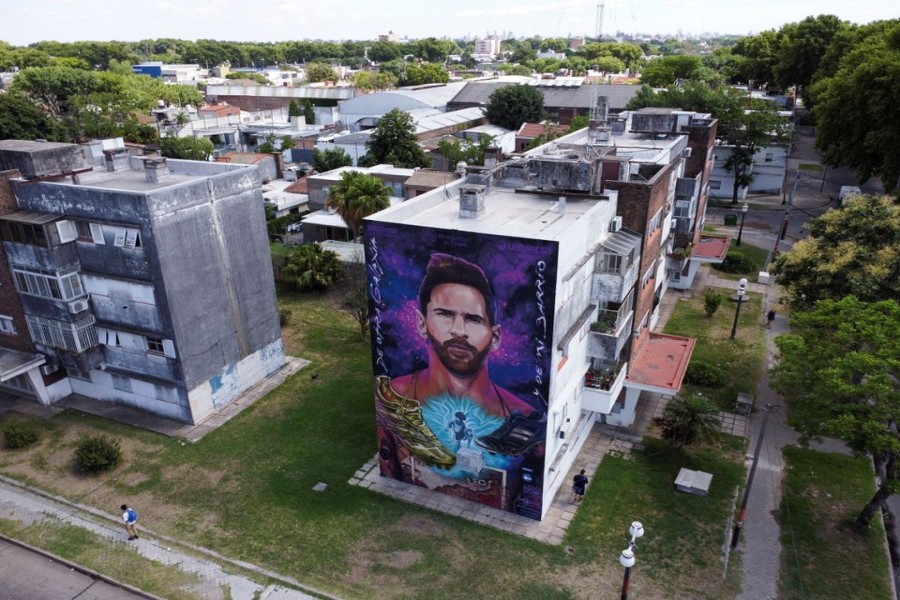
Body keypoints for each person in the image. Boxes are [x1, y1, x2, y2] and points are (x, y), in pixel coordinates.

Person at [375, 253, 545, 485]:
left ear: (494, 336)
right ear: (422, 324)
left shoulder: (525, 421)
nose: (459, 330)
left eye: (473, 319)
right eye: (445, 314)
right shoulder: (392, 398)